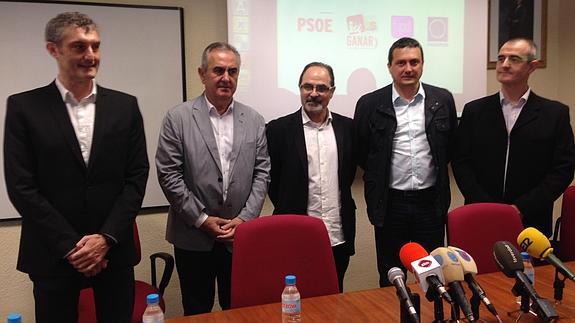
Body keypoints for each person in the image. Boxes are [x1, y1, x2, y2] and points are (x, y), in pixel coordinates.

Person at [4, 12, 149, 322]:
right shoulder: (24, 108)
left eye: (95, 46)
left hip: (113, 254)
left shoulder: (125, 106)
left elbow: (136, 178)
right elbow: (21, 186)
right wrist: (72, 246)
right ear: (53, 49)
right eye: (79, 47)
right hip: (52, 254)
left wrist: (105, 239)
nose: (90, 56)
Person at [155, 42, 270, 315]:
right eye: (218, 70)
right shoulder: (178, 117)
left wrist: (245, 219)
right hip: (193, 236)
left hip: (239, 236)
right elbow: (168, 174)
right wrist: (203, 220)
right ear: (202, 73)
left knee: (240, 309)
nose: (226, 78)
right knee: (197, 310)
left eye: (233, 71)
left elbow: (262, 172)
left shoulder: (254, 119)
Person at [353, 37, 457, 287]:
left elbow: (451, 146)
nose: (408, 68)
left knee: (433, 275)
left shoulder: (442, 100)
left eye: (414, 62)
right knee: (391, 276)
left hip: (430, 204)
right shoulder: (370, 104)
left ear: (423, 64)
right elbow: (362, 152)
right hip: (390, 205)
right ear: (389, 66)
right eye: (401, 63)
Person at [453, 38, 575, 237]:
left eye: (514, 59)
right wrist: (487, 205)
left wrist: (521, 208)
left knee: (530, 269)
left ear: (532, 66)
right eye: (501, 58)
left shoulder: (554, 114)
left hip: (531, 221)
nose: (505, 64)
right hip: (480, 214)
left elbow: (562, 169)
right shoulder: (475, 111)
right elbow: (461, 162)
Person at [266, 62, 356, 292]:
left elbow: (348, 176)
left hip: (337, 235)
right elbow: (272, 182)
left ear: (332, 92)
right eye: (308, 86)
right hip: (294, 237)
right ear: (299, 88)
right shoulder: (278, 130)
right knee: (294, 300)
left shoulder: (348, 128)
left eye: (321, 88)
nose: (314, 93)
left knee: (334, 300)